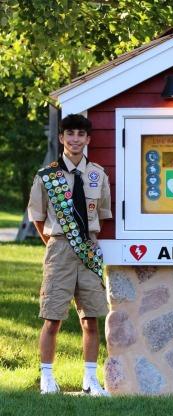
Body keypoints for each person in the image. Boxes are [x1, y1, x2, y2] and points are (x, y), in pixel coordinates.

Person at [28, 114, 112, 396]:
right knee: (52, 318)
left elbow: (103, 215)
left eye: (81, 134)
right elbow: (38, 218)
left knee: (91, 318)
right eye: (70, 134)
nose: (75, 139)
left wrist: (83, 244)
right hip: (60, 249)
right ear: (61, 138)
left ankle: (90, 378)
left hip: (88, 249)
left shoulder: (97, 175)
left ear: (88, 139)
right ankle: (47, 378)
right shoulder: (47, 176)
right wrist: (56, 243)